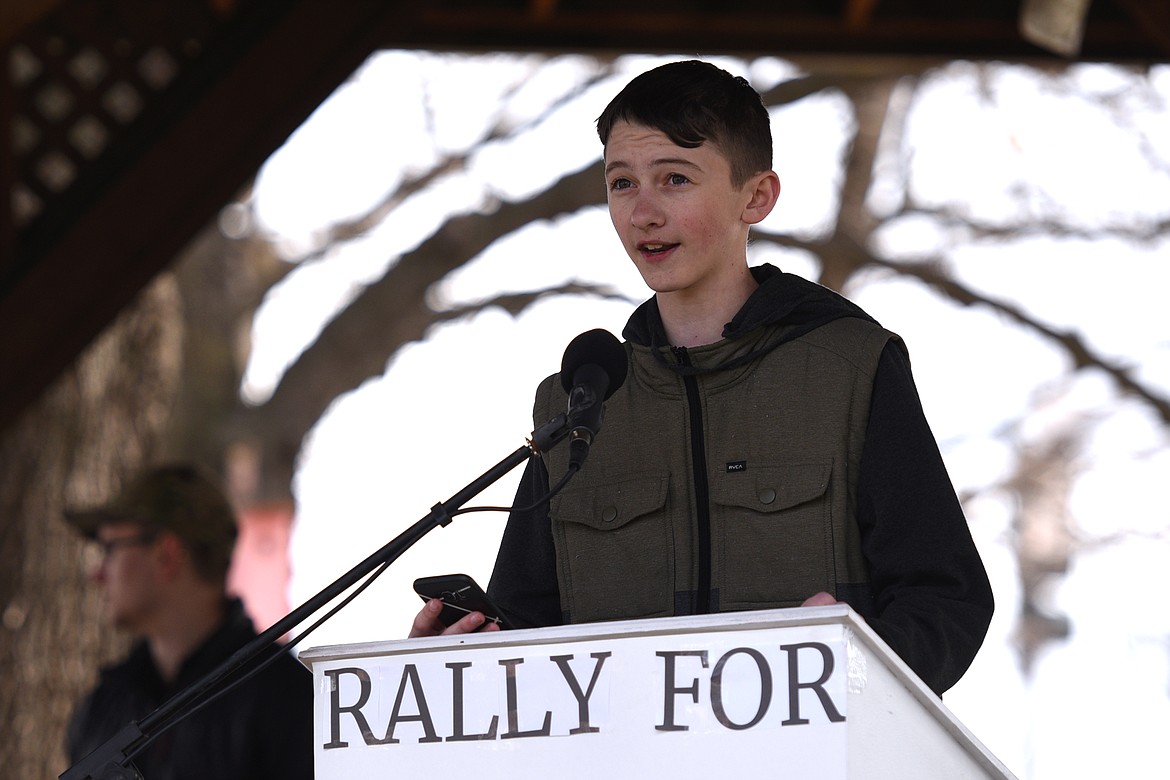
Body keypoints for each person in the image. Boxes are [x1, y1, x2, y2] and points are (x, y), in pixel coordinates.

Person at [411, 59, 993, 696]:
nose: (643, 212)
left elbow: (946, 601)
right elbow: (529, 631)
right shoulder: (582, 400)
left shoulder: (851, 367)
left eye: (675, 179)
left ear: (757, 197)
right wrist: (467, 654)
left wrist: (852, 662)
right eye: (621, 183)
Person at [64, 464, 313, 779]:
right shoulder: (100, 709)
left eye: (110, 549)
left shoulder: (286, 699)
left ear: (166, 554)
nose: (97, 575)